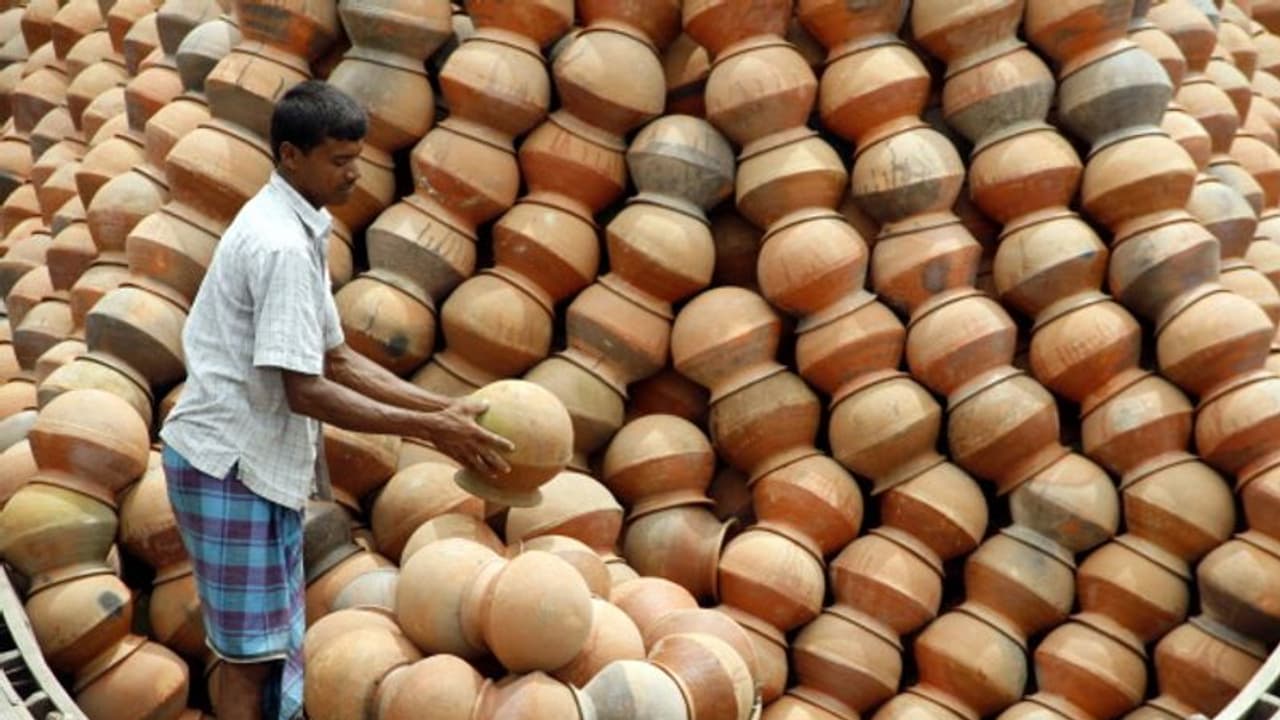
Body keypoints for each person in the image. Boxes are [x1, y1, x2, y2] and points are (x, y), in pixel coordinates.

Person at [159, 80, 514, 720]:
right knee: (250, 658)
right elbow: (307, 389)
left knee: (266, 648)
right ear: (291, 155)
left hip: (250, 467)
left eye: (358, 158)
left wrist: (441, 410)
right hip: (227, 468)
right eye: (339, 160)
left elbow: (335, 356)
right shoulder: (281, 245)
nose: (355, 174)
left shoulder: (302, 225)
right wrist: (431, 432)